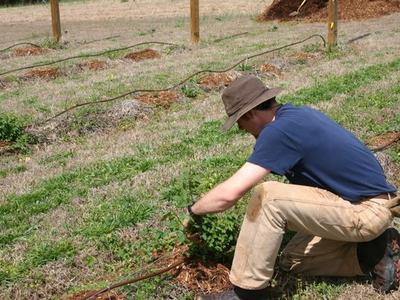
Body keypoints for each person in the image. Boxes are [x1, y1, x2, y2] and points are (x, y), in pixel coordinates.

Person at [184, 75, 399, 299]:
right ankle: (375, 253)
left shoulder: (279, 132)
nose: (241, 129)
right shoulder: (296, 115)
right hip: (363, 204)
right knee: (292, 259)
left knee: (269, 197)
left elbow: (230, 194)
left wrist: (194, 210)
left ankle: (247, 293)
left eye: (239, 122)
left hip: (366, 209)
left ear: (250, 114)